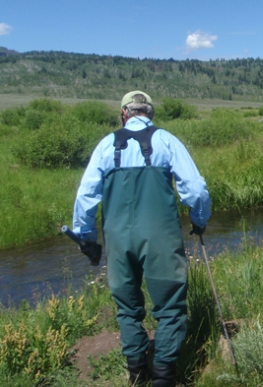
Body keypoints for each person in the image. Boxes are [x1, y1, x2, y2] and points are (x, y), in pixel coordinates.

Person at [72, 91, 211, 387]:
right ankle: (163, 377)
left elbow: (85, 196)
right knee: (171, 306)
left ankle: (136, 374)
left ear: (124, 114)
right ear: (150, 113)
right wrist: (198, 221)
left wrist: (86, 239)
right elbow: (196, 190)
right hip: (161, 237)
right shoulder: (166, 140)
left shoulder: (106, 145)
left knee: (127, 307)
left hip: (117, 238)